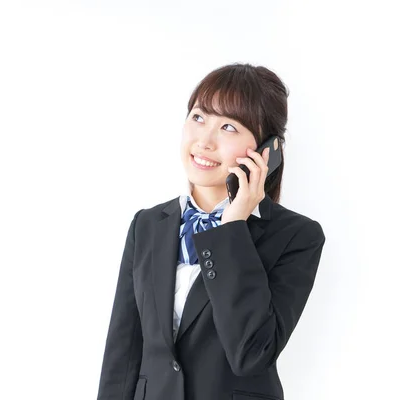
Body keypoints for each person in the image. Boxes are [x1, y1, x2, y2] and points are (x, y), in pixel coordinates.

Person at [96, 63, 326, 400]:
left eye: (229, 127)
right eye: (199, 117)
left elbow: (251, 354)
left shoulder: (297, 237)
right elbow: (123, 353)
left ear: (266, 150)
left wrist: (232, 228)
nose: (204, 140)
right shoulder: (147, 225)